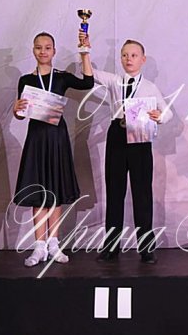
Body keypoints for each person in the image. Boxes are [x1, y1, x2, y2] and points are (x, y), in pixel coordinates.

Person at [80, 34, 172, 264]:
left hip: (140, 138)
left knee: (142, 193)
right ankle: (111, 247)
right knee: (115, 192)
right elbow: (90, 74)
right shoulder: (114, 81)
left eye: (133, 55)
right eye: (124, 55)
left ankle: (146, 248)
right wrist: (85, 52)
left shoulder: (150, 87)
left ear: (143, 59)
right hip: (117, 136)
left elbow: (168, 112)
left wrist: (159, 116)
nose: (128, 59)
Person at [12, 32, 94, 266]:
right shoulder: (25, 80)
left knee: (54, 191)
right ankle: (39, 246)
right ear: (33, 50)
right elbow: (21, 114)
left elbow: (87, 83)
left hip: (57, 138)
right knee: (38, 192)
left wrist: (84, 53)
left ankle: (54, 244)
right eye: (39, 47)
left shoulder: (61, 77)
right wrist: (16, 109)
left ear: (54, 51)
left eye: (47, 47)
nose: (43, 51)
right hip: (37, 139)